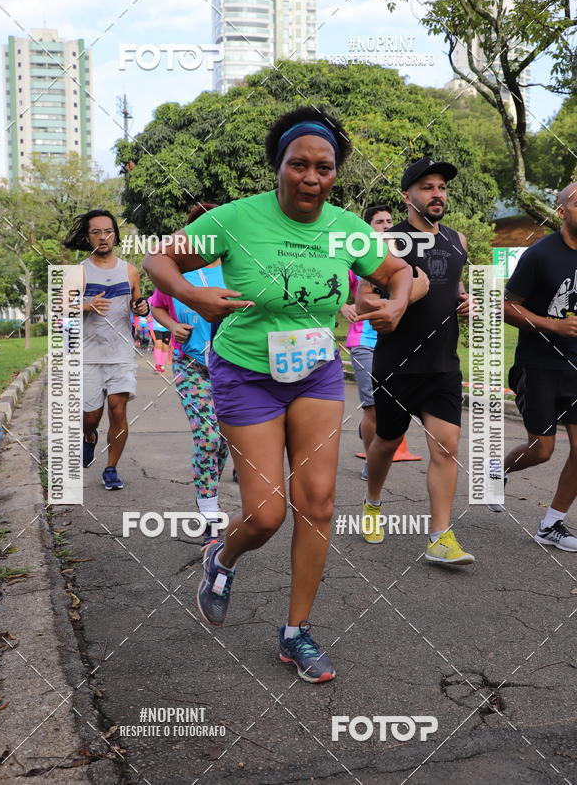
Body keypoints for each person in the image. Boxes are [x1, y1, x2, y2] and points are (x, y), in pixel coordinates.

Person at [145, 106, 415, 683]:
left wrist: (395, 302)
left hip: (316, 369)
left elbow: (398, 274)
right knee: (265, 515)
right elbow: (157, 258)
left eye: (324, 167)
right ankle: (221, 558)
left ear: (335, 173)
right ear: (279, 167)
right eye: (299, 164)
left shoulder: (347, 227)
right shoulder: (235, 219)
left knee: (317, 503)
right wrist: (192, 299)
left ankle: (297, 633)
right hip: (245, 371)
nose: (311, 177)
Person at [358, 157, 474, 563]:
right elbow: (364, 301)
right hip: (397, 363)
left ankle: (440, 537)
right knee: (387, 442)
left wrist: (465, 300)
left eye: (441, 186)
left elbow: (453, 282)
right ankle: (372, 503)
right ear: (407, 196)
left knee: (446, 447)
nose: (437, 193)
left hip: (443, 362)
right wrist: (408, 297)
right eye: (427, 187)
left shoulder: (457, 240)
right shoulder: (388, 243)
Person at [490, 182, 577, 551]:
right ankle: (498, 471)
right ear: (562, 212)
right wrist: (551, 325)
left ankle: (552, 523)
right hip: (539, 365)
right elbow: (505, 306)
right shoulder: (540, 255)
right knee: (541, 450)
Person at [149, 203, 229, 548]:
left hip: (231, 367)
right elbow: (156, 306)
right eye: (200, 230)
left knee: (225, 440)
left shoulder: (234, 268)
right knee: (208, 437)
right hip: (190, 365)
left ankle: (208, 492)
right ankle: (209, 508)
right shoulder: (174, 272)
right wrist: (171, 326)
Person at [64, 209, 149, 490]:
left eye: (108, 231)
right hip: (89, 356)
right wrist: (86, 306)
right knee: (90, 417)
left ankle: (111, 467)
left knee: (118, 409)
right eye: (96, 232)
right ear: (88, 237)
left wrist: (142, 306)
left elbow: (138, 303)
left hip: (121, 353)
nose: (103, 236)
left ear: (115, 234)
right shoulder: (78, 272)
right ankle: (89, 437)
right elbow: (60, 311)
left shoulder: (129, 270)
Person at [341, 205, 395, 481]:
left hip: (397, 340)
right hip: (365, 340)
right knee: (372, 405)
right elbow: (334, 284)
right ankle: (371, 461)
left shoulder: (402, 257)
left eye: (389, 221)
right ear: (368, 227)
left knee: (391, 405)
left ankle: (371, 435)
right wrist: (343, 306)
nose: (386, 226)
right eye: (379, 222)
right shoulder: (356, 256)